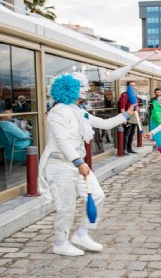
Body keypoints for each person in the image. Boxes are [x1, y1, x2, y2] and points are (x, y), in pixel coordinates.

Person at [38, 72, 136, 256]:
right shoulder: (58, 112)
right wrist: (78, 162)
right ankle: (60, 243)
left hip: (77, 164)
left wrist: (126, 114)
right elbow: (62, 140)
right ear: (70, 89)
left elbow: (104, 123)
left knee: (98, 195)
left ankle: (82, 233)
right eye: (81, 87)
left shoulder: (78, 110)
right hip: (60, 165)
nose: (86, 90)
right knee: (66, 206)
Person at [118, 80, 139, 155]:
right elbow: (122, 106)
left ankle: (129, 148)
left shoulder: (135, 95)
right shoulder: (124, 95)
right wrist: (124, 117)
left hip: (134, 115)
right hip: (127, 115)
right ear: (127, 87)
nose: (133, 87)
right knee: (126, 133)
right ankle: (124, 149)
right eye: (131, 85)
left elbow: (137, 105)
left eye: (134, 85)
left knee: (132, 133)